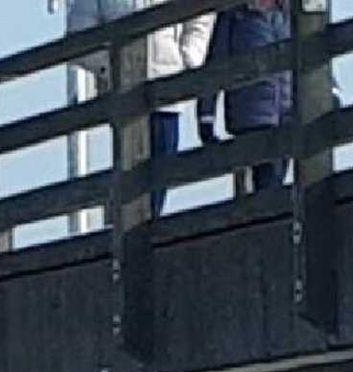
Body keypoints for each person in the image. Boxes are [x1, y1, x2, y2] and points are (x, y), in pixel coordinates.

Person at [66, 0, 215, 213]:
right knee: (130, 174)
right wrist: (114, 68)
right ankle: (132, 227)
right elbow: (79, 36)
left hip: (166, 88)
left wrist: (189, 56)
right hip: (124, 98)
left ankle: (151, 225)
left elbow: (201, 14)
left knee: (163, 172)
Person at [200, 0, 294, 194]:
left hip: (287, 114)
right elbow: (216, 66)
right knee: (266, 185)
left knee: (276, 183)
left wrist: (331, 90)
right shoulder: (234, 15)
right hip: (251, 116)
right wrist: (206, 116)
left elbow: (311, 48)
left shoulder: (288, 12)